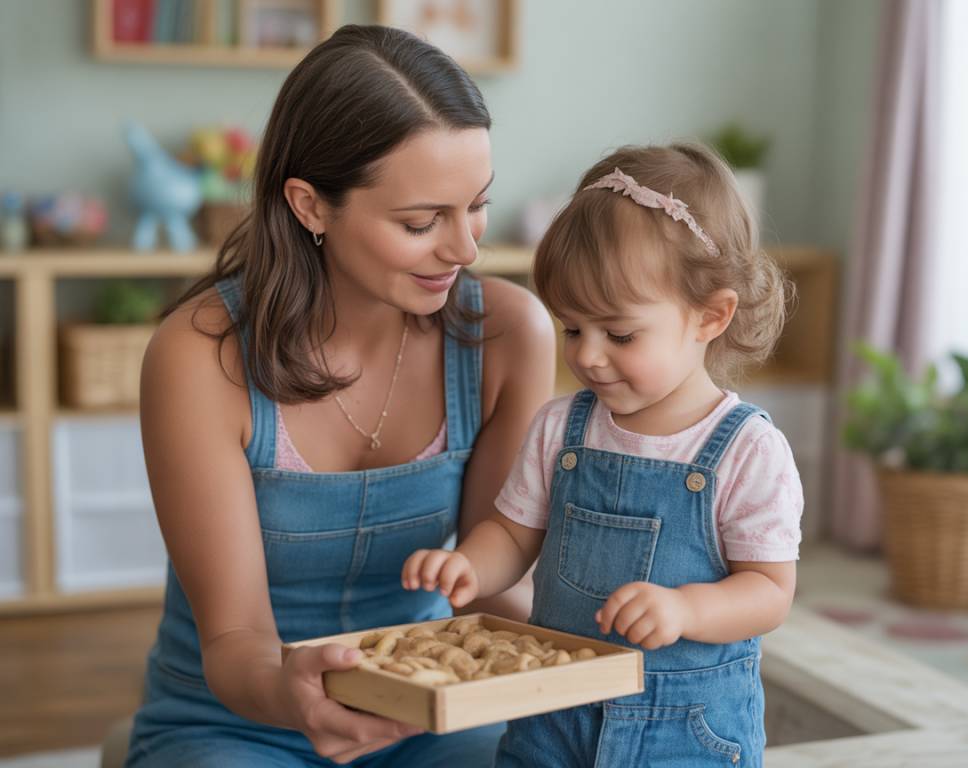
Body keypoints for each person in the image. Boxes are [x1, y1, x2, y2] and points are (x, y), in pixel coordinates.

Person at [126, 24, 554, 768]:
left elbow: (489, 583)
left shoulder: (509, 335)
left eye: (476, 206)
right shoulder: (199, 357)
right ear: (310, 205)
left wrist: (600, 626)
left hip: (431, 705)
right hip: (238, 718)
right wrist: (298, 695)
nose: (465, 249)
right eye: (421, 222)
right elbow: (234, 644)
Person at [403, 143, 803, 767]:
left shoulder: (746, 449)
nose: (588, 355)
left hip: (684, 730)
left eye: (619, 334)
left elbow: (770, 591)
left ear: (710, 316)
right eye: (572, 329)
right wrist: (470, 567)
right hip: (553, 716)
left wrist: (686, 608)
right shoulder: (562, 428)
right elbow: (513, 535)